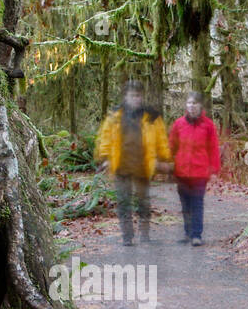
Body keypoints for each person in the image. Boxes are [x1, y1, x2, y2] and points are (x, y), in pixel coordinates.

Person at [94, 80, 172, 245]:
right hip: (121, 166)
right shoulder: (115, 116)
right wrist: (106, 157)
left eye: (138, 95)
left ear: (141, 97)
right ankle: (127, 236)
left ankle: (144, 234)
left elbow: (161, 139)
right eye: (132, 95)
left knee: (143, 202)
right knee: (124, 202)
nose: (135, 99)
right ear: (126, 96)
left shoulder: (151, 116)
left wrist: (164, 158)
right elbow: (105, 138)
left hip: (143, 167)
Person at [167, 91, 220, 246]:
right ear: (186, 105)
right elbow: (171, 146)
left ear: (200, 105)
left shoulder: (208, 125)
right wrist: (167, 163)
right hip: (181, 171)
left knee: (197, 203)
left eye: (195, 103)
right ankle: (187, 232)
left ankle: (196, 235)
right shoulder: (178, 124)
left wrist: (214, 170)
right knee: (185, 204)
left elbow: (213, 149)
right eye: (189, 103)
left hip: (200, 172)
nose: (191, 106)